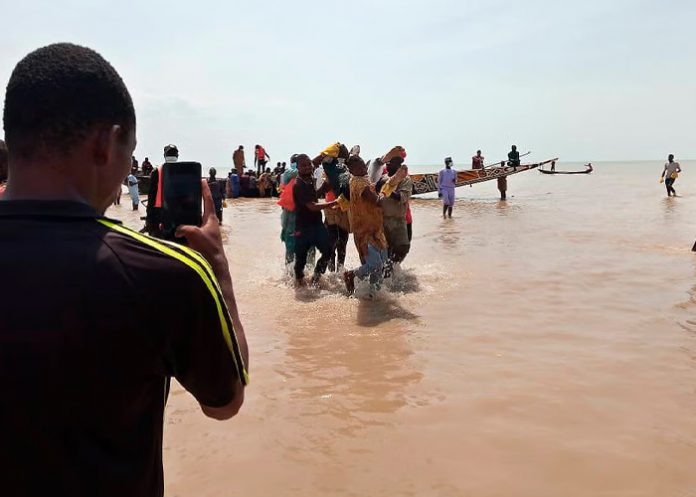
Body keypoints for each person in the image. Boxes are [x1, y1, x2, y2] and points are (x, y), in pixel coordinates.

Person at [0, 42, 248, 497]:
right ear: (104, 143)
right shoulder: (162, 274)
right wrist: (218, 271)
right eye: (128, 154)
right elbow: (225, 400)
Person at [343, 155, 389, 296]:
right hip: (365, 231)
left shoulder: (362, 179)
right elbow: (376, 200)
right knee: (376, 265)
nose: (363, 168)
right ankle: (351, 275)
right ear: (351, 170)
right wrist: (387, 192)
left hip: (374, 228)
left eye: (363, 164)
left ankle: (374, 294)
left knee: (382, 263)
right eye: (359, 167)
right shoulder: (358, 183)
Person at [292, 154, 336, 286]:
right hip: (303, 227)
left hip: (317, 225)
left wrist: (326, 155)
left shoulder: (310, 178)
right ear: (297, 167)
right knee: (301, 260)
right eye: (303, 165)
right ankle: (299, 284)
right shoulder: (298, 184)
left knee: (328, 251)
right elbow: (312, 206)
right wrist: (333, 203)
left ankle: (316, 278)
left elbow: (315, 194)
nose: (307, 167)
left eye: (308, 164)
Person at [377, 156, 412, 268]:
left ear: (398, 166)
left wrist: (388, 192)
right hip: (383, 220)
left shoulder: (405, 180)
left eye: (390, 163)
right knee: (386, 249)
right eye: (386, 163)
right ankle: (387, 271)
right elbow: (375, 191)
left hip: (397, 220)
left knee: (403, 247)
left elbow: (402, 197)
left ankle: (389, 268)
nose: (387, 165)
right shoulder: (383, 178)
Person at [145, 143, 179, 237]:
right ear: (177, 156)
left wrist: (148, 220)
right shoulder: (182, 171)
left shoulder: (157, 171)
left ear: (164, 156)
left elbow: (151, 196)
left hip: (160, 213)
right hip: (174, 212)